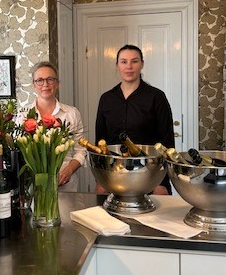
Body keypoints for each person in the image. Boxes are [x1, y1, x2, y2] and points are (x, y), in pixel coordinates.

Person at [95, 45, 174, 195]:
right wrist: (100, 179)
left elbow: (167, 143)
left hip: (150, 175)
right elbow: (100, 142)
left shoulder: (156, 97)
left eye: (134, 61)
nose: (129, 67)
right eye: (124, 62)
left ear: (142, 64)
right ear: (117, 65)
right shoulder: (106, 99)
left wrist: (160, 181)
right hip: (114, 175)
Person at [22, 61, 86, 192]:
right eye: (40, 80)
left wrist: (69, 170)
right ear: (34, 85)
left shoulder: (72, 113)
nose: (45, 84)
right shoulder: (22, 115)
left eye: (50, 79)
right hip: (34, 188)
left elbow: (81, 150)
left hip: (66, 187)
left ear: (57, 83)